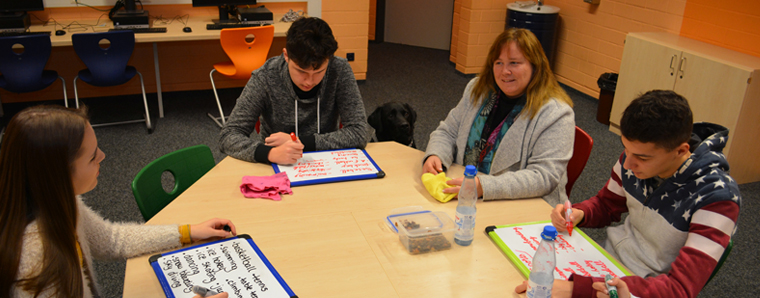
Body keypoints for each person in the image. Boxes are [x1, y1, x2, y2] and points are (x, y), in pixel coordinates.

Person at [0, 105, 237, 298]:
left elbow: (111, 240)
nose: (103, 156)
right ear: (58, 175)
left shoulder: (58, 201)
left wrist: (188, 231)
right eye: (93, 157)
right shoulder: (37, 261)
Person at [524, 90, 741, 297]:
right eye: (625, 149)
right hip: (607, 265)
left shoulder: (717, 198)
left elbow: (679, 289)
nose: (628, 163)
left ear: (681, 151)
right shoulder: (634, 159)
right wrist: (580, 213)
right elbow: (606, 205)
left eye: (643, 157)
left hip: (647, 288)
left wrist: (579, 289)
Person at [423, 28, 574, 206]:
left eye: (514, 63)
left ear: (535, 66)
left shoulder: (556, 113)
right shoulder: (478, 90)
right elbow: (447, 132)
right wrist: (436, 155)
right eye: (499, 63)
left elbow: (543, 176)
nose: (504, 72)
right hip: (466, 196)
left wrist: (484, 186)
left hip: (523, 207)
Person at [219, 17, 369, 165]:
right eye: (301, 71)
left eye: (318, 72)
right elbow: (229, 135)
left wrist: (300, 142)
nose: (309, 81)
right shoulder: (265, 77)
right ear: (286, 55)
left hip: (326, 160)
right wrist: (269, 153)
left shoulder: (339, 70)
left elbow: (360, 132)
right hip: (277, 161)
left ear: (329, 60)